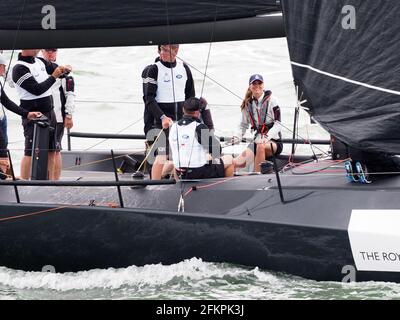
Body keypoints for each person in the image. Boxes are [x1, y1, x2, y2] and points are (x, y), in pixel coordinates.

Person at [12, 49, 71, 180]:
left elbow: (58, 72)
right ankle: (24, 182)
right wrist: (53, 76)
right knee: (29, 151)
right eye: (35, 47)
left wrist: (64, 70)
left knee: (52, 150)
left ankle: (51, 183)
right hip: (33, 115)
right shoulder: (19, 68)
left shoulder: (39, 61)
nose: (38, 49)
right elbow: (37, 90)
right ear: (25, 49)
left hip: (50, 112)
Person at [142, 44, 195, 180]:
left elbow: (191, 97)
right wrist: (162, 117)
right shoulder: (154, 69)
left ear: (176, 50)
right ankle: (154, 185)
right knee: (161, 157)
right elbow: (148, 98)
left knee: (179, 156)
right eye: (161, 50)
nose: (162, 53)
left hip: (180, 122)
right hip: (159, 123)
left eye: (165, 50)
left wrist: (192, 118)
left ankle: (177, 187)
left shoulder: (184, 68)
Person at [169, 97, 234, 180]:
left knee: (180, 164)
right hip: (198, 172)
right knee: (229, 159)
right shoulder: (199, 127)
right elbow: (217, 150)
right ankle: (223, 190)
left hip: (180, 171)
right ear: (197, 112)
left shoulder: (173, 127)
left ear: (183, 109)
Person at [232, 74, 283, 173]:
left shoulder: (273, 101)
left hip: (274, 142)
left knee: (260, 145)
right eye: (254, 83)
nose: (257, 85)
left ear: (263, 85)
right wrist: (237, 136)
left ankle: (257, 178)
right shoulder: (247, 104)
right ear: (250, 86)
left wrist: (266, 137)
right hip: (257, 141)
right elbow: (243, 125)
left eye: (259, 83)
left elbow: (278, 124)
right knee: (236, 163)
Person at [41, 48, 76, 180]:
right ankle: (45, 179)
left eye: (53, 51)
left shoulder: (64, 70)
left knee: (55, 150)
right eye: (47, 51)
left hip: (58, 116)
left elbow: (70, 93)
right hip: (43, 115)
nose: (51, 54)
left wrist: (69, 115)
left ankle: (55, 180)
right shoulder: (37, 67)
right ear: (42, 52)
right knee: (43, 150)